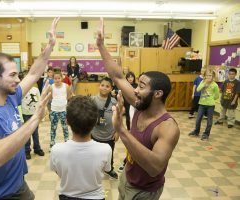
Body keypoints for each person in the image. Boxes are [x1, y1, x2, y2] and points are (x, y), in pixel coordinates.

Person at [0, 17, 59, 199]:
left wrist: (49, 46)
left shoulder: (10, 97)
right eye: (13, 75)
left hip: (18, 185)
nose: (18, 80)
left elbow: (34, 73)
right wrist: (35, 118)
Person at [96, 18, 180, 199]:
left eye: (141, 86)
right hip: (128, 177)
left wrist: (121, 130)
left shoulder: (167, 127)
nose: (135, 90)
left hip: (144, 191)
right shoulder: (141, 103)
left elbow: (155, 167)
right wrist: (101, 46)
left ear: (157, 94)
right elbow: (118, 77)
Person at [50, 95, 111, 200]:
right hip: (97, 196)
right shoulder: (105, 149)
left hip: (67, 196)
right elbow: (106, 169)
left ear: (67, 121)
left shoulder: (56, 149)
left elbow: (58, 172)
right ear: (96, 120)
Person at [91, 77, 119, 179]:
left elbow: (118, 117)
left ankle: (109, 169)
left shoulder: (114, 101)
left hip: (109, 134)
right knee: (94, 154)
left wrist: (117, 132)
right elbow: (88, 116)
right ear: (99, 86)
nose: (104, 88)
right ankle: (95, 169)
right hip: (95, 134)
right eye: (102, 85)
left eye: (107, 86)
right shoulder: (93, 100)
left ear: (111, 89)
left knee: (109, 153)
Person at [20, 70, 45, 160]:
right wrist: (21, 117)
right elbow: (18, 104)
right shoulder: (20, 90)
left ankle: (37, 148)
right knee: (27, 133)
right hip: (25, 114)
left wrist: (40, 114)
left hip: (35, 114)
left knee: (35, 132)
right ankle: (27, 150)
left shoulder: (35, 89)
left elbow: (39, 101)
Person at [189, 69, 219, 140]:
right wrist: (204, 83)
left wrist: (210, 99)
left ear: (213, 76)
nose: (209, 77)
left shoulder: (215, 85)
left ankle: (206, 134)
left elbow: (216, 96)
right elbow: (198, 89)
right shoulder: (202, 82)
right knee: (198, 119)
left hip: (210, 105)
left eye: (210, 75)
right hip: (202, 104)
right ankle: (196, 131)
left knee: (209, 121)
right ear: (204, 76)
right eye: (207, 75)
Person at [48, 68, 71, 149]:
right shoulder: (51, 87)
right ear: (53, 79)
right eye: (55, 78)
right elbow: (50, 98)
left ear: (62, 78)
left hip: (63, 110)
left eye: (59, 78)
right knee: (53, 128)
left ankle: (67, 142)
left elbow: (68, 97)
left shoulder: (66, 86)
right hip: (54, 110)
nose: (57, 80)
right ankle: (52, 143)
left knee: (65, 127)